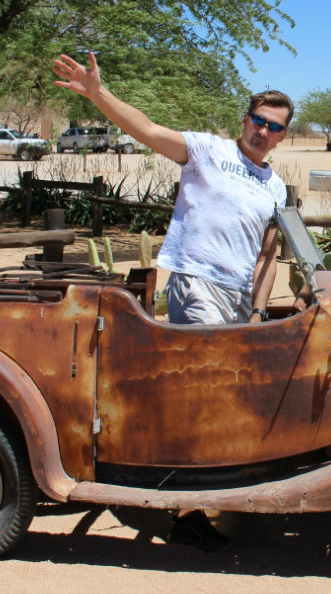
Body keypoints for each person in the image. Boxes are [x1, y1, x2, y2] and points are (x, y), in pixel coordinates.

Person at [52, 51, 293, 549]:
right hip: (197, 283)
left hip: (237, 299)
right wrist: (98, 93)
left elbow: (268, 256)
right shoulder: (207, 150)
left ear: (283, 136)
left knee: (225, 394)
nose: (263, 131)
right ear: (243, 120)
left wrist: (255, 309)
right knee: (205, 392)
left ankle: (215, 490)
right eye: (257, 120)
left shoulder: (275, 185)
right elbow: (145, 128)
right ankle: (185, 511)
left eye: (274, 127)